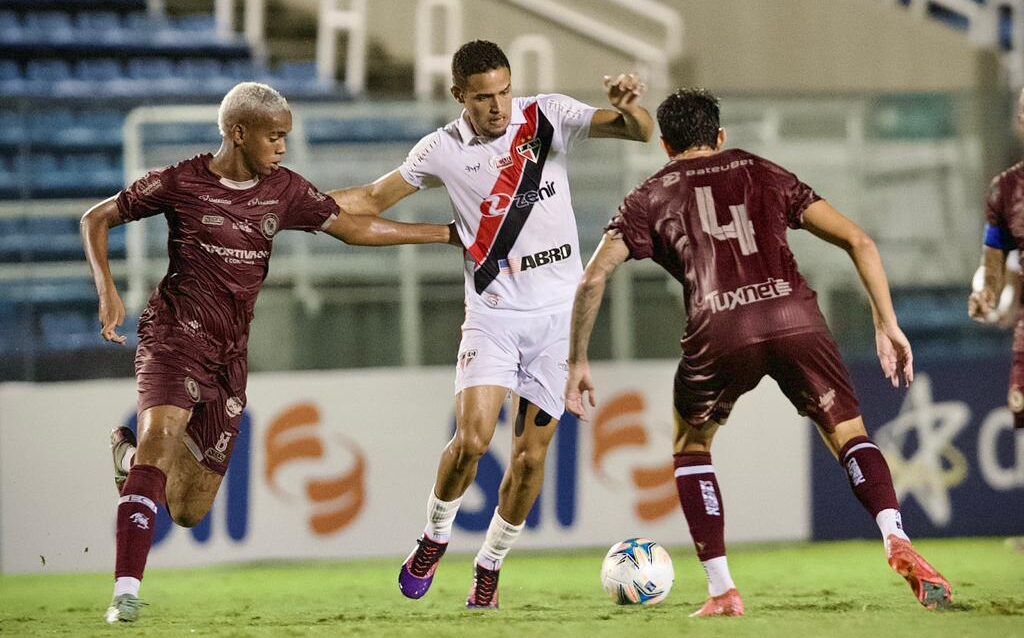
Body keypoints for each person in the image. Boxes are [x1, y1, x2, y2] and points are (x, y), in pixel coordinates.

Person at [564, 88, 953, 617]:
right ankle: (894, 535)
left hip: (719, 325)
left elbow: (592, 279)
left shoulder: (649, 195)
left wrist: (577, 361)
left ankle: (723, 589)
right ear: (721, 137)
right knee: (848, 435)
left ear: (665, 145)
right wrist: (887, 323)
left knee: (691, 445)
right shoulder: (763, 170)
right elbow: (860, 241)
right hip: (795, 315)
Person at [81, 82, 457, 624]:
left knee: (188, 511)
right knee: (160, 439)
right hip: (174, 337)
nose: (282, 147)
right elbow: (96, 218)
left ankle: (130, 463)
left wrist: (444, 234)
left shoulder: (283, 190)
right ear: (238, 133)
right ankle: (125, 593)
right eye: (274, 136)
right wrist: (108, 290)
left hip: (230, 356)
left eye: (286, 137)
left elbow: (352, 226)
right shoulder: (179, 181)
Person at [328, 40, 653, 608]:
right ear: (460, 96)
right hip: (494, 316)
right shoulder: (441, 150)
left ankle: (490, 564)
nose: (499, 106)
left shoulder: (547, 114)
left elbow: (640, 132)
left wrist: (629, 106)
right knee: (474, 440)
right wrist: (288, 204)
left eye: (504, 91)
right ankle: (433, 538)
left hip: (557, 321)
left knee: (530, 461)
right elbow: (373, 199)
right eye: (484, 98)